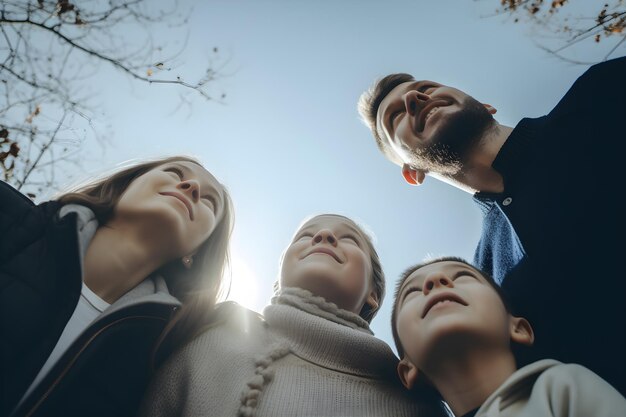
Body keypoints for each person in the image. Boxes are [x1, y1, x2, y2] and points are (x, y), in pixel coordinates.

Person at [357, 57, 626, 394]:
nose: (415, 100)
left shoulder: (604, 93)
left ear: (486, 105)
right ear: (413, 172)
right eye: (395, 116)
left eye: (425, 89)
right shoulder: (484, 284)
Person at [140, 213, 444, 417]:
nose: (323, 235)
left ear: (373, 294)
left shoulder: (415, 394)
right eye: (305, 235)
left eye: (349, 239)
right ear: (279, 277)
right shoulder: (210, 341)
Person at [1, 155, 234, 417]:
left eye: (209, 201)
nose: (192, 188)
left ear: (197, 251)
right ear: (125, 187)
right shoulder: (7, 215)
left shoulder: (168, 352)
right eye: (175, 173)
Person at [392, 256, 626, 417]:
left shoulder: (561, 385)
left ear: (519, 328)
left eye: (463, 277)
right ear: (407, 369)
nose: (435, 282)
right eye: (412, 292)